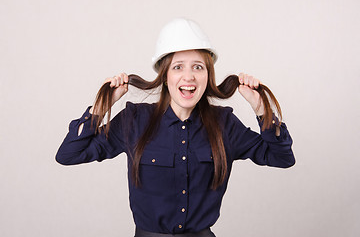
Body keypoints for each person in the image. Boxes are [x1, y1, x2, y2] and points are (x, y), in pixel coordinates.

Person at [56, 18, 295, 237]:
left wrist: (261, 108)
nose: (188, 76)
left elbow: (282, 157)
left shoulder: (224, 124)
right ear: (165, 75)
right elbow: (69, 154)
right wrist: (100, 108)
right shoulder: (134, 120)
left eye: (198, 67)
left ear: (208, 75)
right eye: (178, 67)